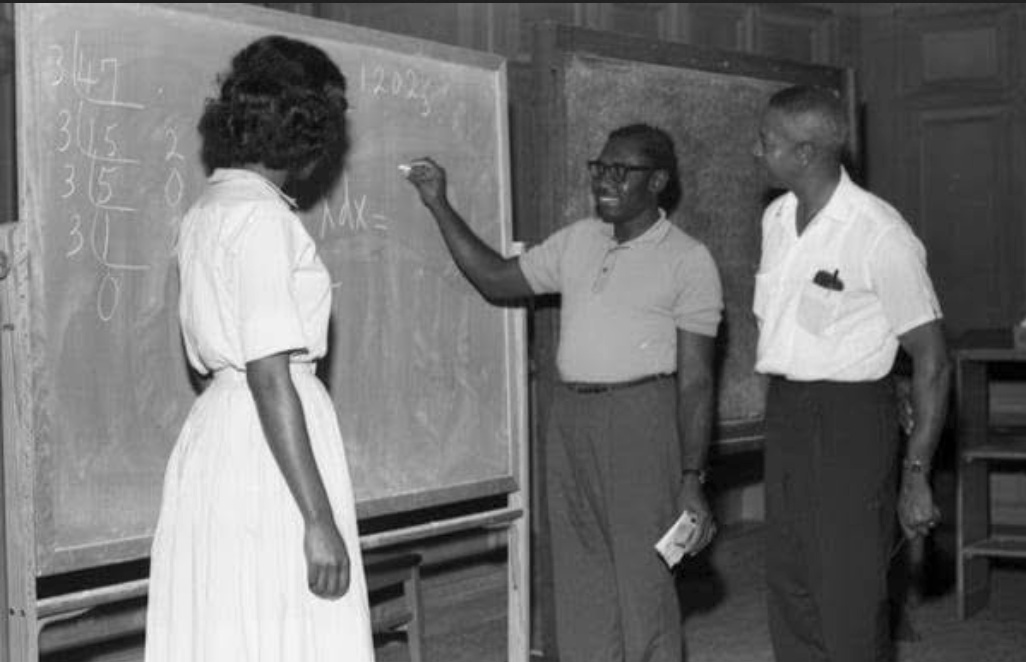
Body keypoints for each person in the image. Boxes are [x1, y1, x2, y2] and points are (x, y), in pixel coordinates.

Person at [403, 123, 723, 662]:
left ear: (659, 181)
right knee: (578, 576)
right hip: (569, 417)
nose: (605, 181)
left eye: (623, 171)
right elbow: (496, 278)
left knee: (643, 580)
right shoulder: (578, 240)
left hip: (640, 421)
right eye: (600, 168)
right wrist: (439, 205)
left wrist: (692, 478)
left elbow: (696, 381)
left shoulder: (689, 260)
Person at [144, 35, 375, 662]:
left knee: (234, 622)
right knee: (286, 625)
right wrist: (318, 519)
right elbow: (270, 374)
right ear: (306, 127)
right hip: (273, 449)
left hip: (223, 440)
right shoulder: (265, 221)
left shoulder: (209, 208)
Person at [751, 84, 952, 662]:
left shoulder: (880, 233)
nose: (756, 150)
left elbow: (933, 361)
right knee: (789, 585)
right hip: (786, 411)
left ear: (807, 151)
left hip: (850, 422)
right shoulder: (776, 218)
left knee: (849, 592)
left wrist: (915, 474)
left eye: (768, 141)